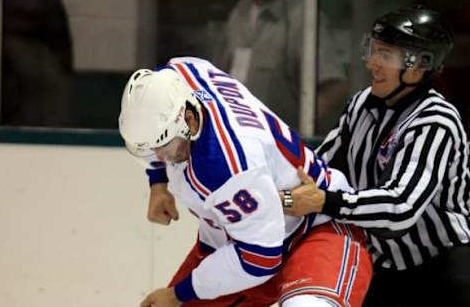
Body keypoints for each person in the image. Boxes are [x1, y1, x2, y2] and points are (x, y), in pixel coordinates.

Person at [119, 57, 372, 306]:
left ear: (189, 120)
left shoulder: (223, 167)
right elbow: (153, 100)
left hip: (316, 229)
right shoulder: (182, 74)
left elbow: (259, 258)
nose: (162, 157)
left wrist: (177, 294)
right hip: (248, 235)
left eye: (167, 147)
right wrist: (158, 182)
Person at [282, 6, 470, 306]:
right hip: (381, 263)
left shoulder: (436, 121)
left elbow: (400, 208)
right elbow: (317, 166)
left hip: (440, 270)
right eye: (372, 50)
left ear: (420, 65)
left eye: (386, 56)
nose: (372, 63)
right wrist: (274, 190)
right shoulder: (362, 105)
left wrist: (324, 200)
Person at [212, 0, 348, 132]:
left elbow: (336, 86)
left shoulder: (302, 15)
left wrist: (298, 136)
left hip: (276, 144)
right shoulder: (238, 13)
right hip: (233, 136)